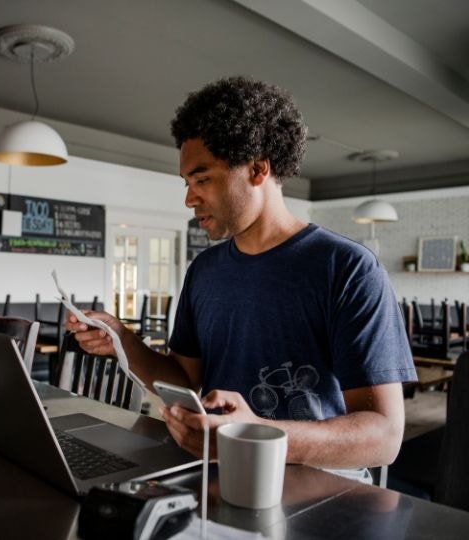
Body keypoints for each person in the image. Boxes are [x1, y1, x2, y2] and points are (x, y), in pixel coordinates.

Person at [66, 76, 416, 476]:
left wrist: (254, 434)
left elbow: (384, 436)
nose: (188, 198)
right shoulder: (204, 272)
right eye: (186, 183)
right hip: (218, 472)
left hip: (319, 484)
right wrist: (122, 341)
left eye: (202, 179)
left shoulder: (348, 268)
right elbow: (186, 381)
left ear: (257, 169)